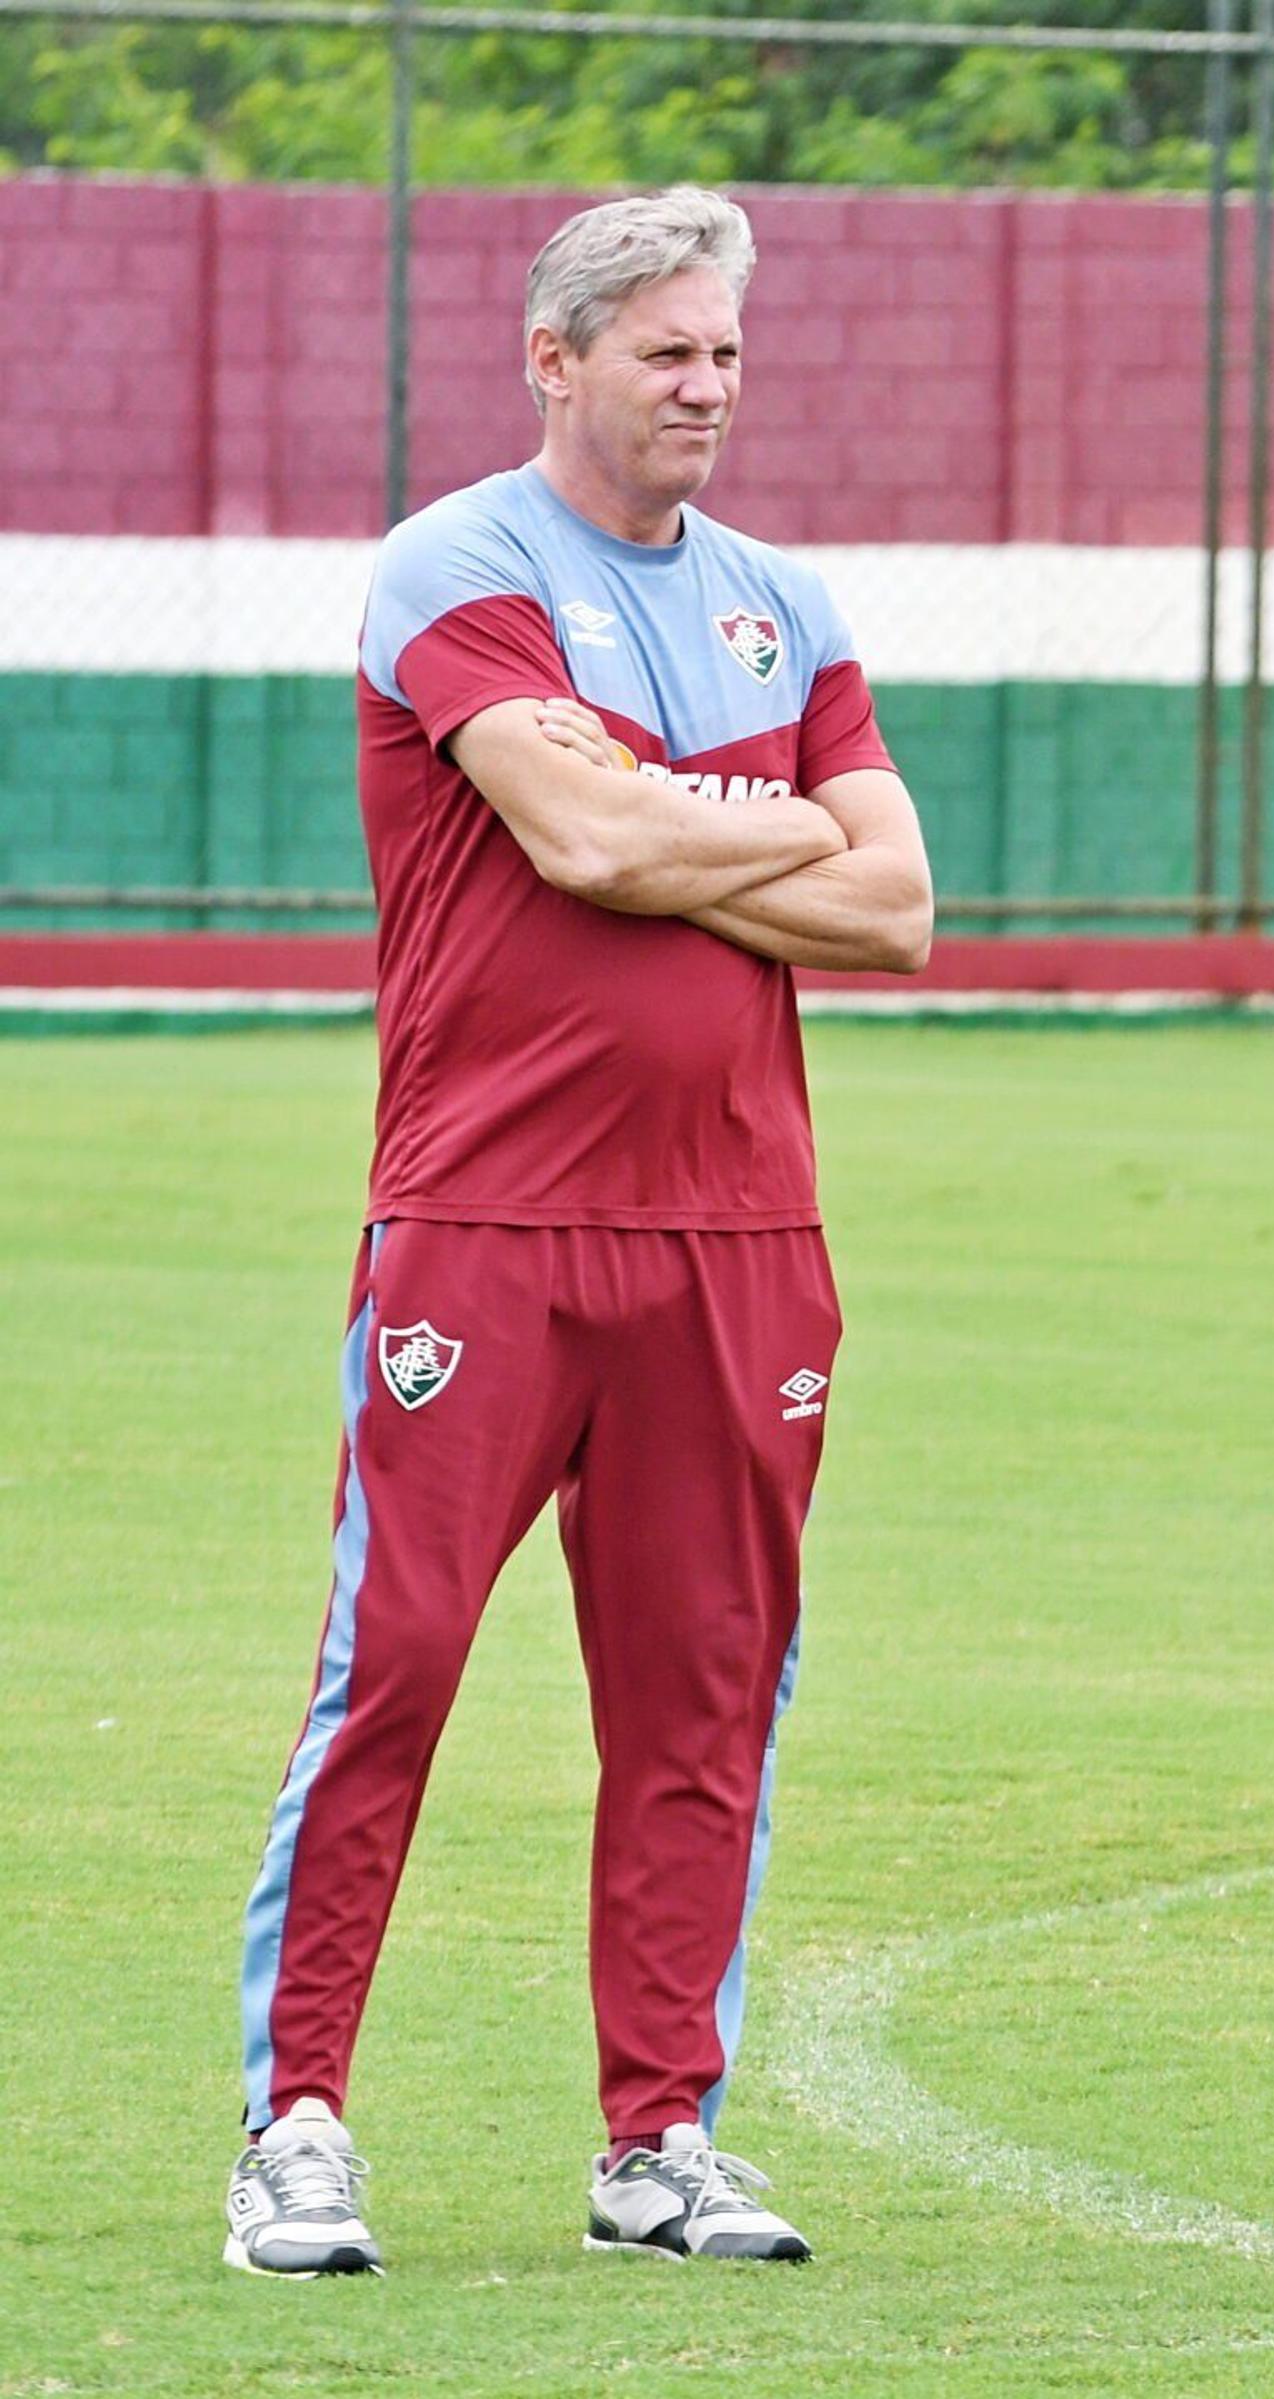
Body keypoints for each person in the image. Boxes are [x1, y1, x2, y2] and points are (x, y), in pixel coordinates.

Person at [223, 185, 931, 2279]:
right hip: (485, 1221)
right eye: (665, 354)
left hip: (743, 1235)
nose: (706, 388)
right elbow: (580, 829)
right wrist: (742, 819)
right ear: (559, 361)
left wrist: (665, 831)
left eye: (725, 354)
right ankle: (297, 2120)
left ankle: (661, 2139)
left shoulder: (784, 608)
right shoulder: (459, 566)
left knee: (706, 1688)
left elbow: (894, 910)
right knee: (401, 1660)